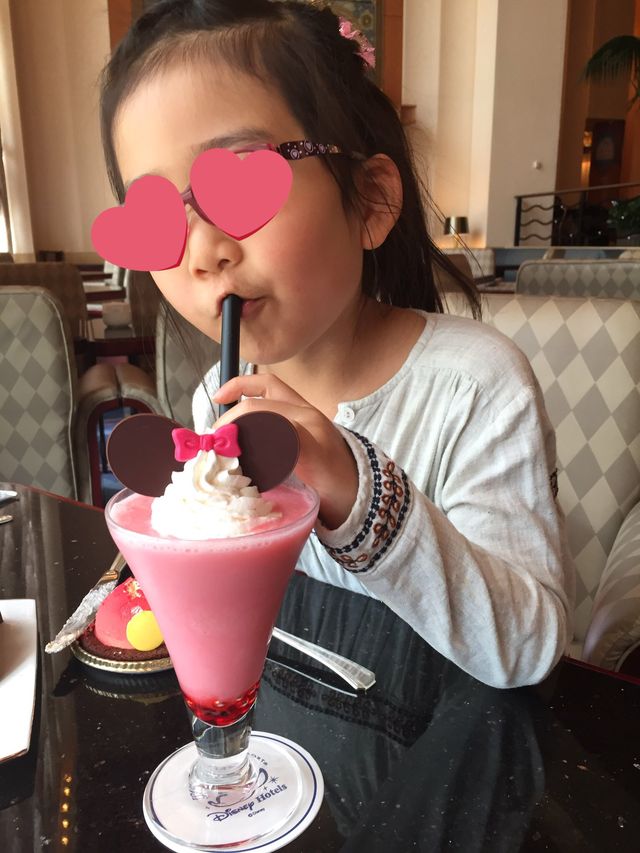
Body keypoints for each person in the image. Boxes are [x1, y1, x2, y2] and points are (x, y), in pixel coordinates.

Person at [98, 0, 574, 688]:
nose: (203, 253)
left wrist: (358, 494)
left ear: (371, 201)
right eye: (156, 217)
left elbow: (527, 648)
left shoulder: (474, 387)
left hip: (449, 737)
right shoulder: (218, 399)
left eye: (239, 185)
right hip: (287, 723)